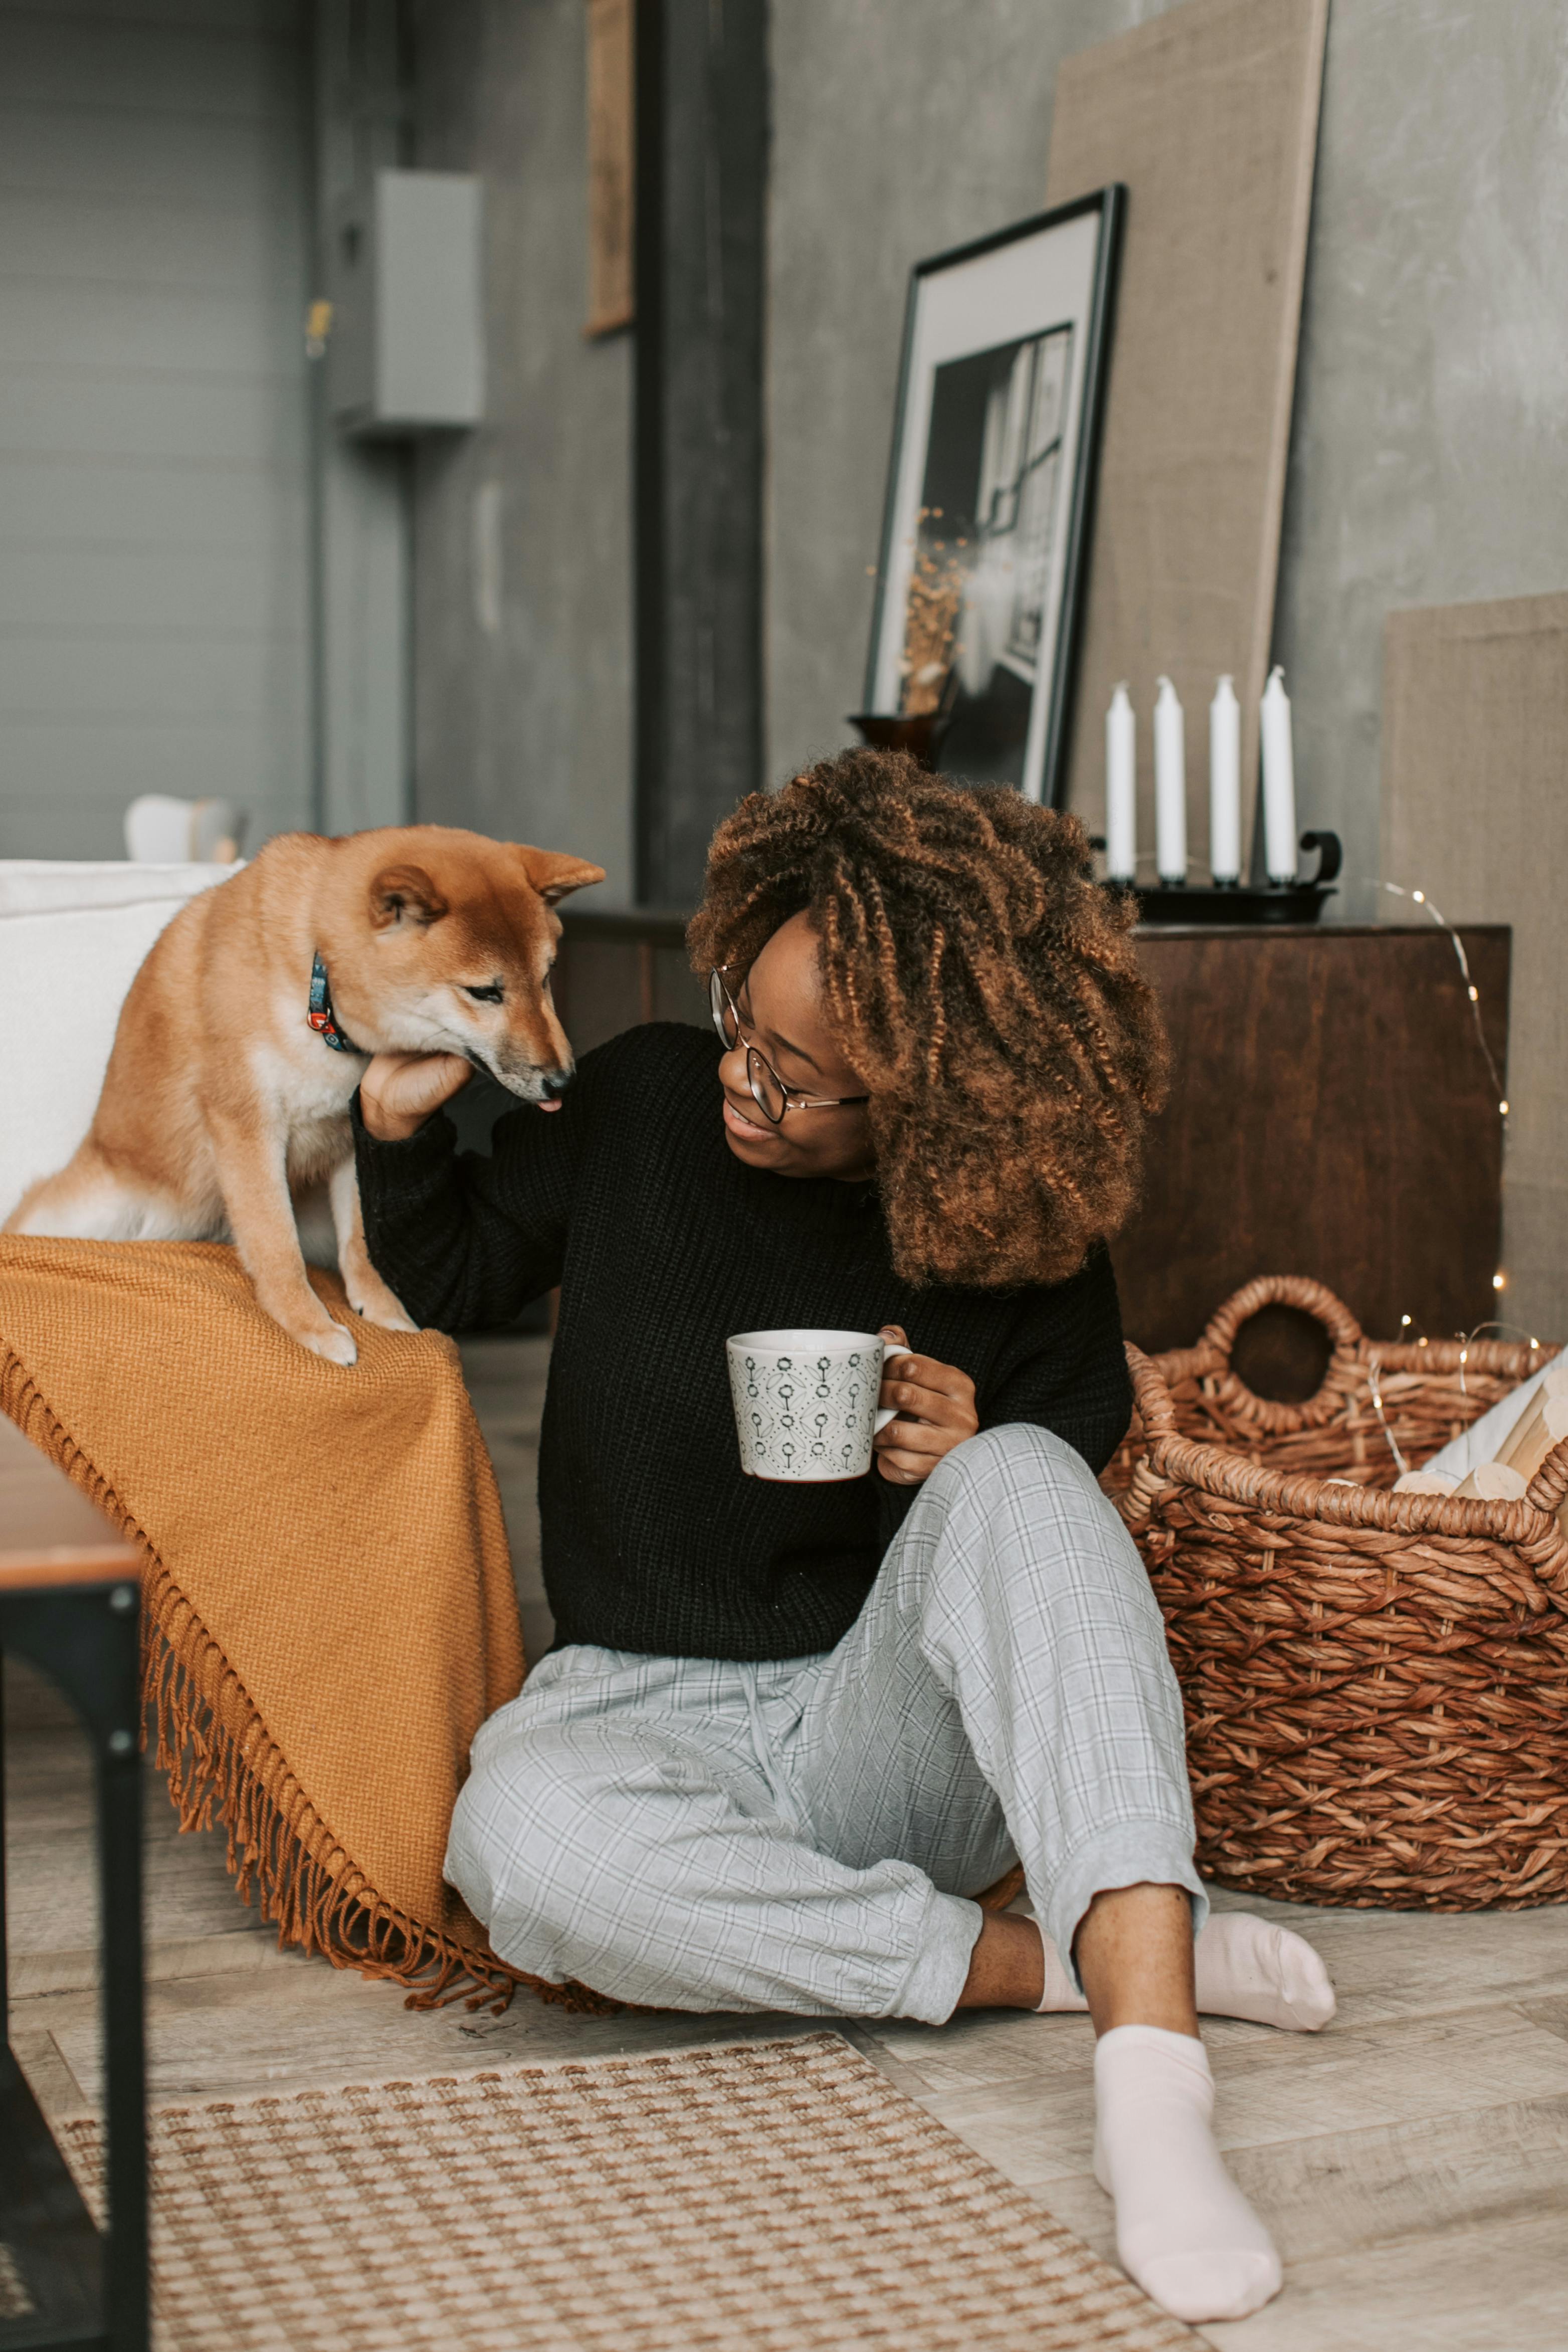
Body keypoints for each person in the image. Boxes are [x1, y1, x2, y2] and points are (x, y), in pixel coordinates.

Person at [352, 750, 1331, 2324]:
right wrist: (393, 1116)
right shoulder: (649, 1095)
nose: (750, 1077)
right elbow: (458, 1268)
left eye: (805, 1078)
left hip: (880, 1727)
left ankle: (1155, 2093)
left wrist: (943, 1461)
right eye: (748, 1018)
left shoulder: (1008, 1223)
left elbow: (1052, 1514)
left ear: (938, 1099)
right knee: (519, 1841)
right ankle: (1046, 1961)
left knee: (1018, 1476)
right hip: (636, 1703)